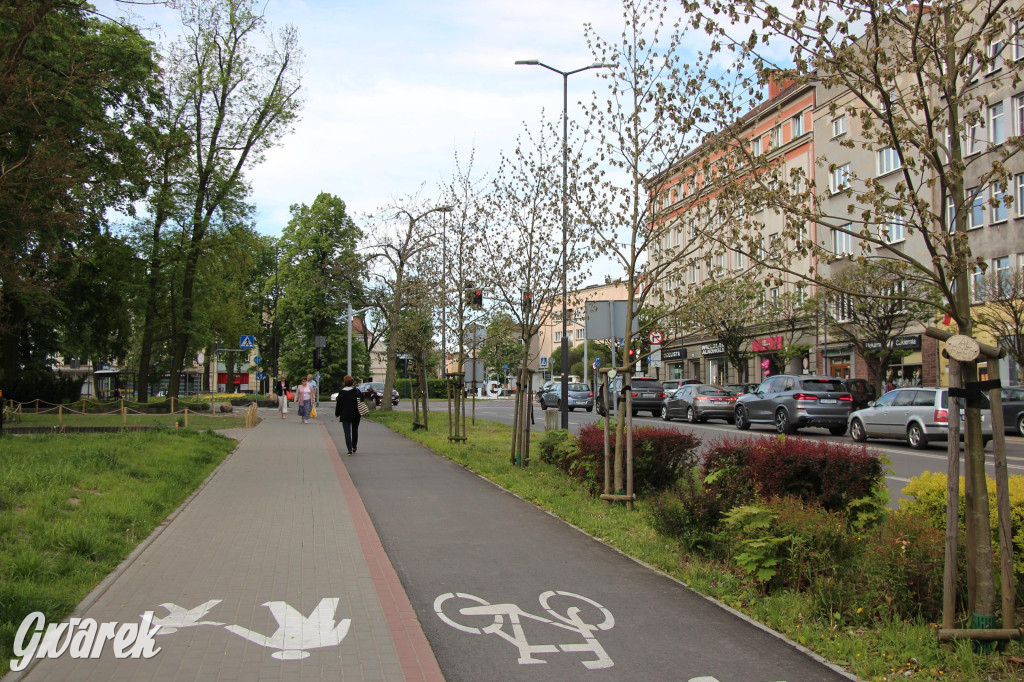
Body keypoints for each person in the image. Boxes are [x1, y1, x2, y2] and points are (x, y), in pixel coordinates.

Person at [335, 375, 364, 455]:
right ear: (352, 382)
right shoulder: (356, 391)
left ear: (344, 382)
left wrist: (337, 413)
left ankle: (349, 449)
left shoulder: (341, 392)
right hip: (355, 414)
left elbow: (339, 404)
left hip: (345, 415)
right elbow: (362, 398)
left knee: (347, 432)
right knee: (355, 430)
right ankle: (354, 446)